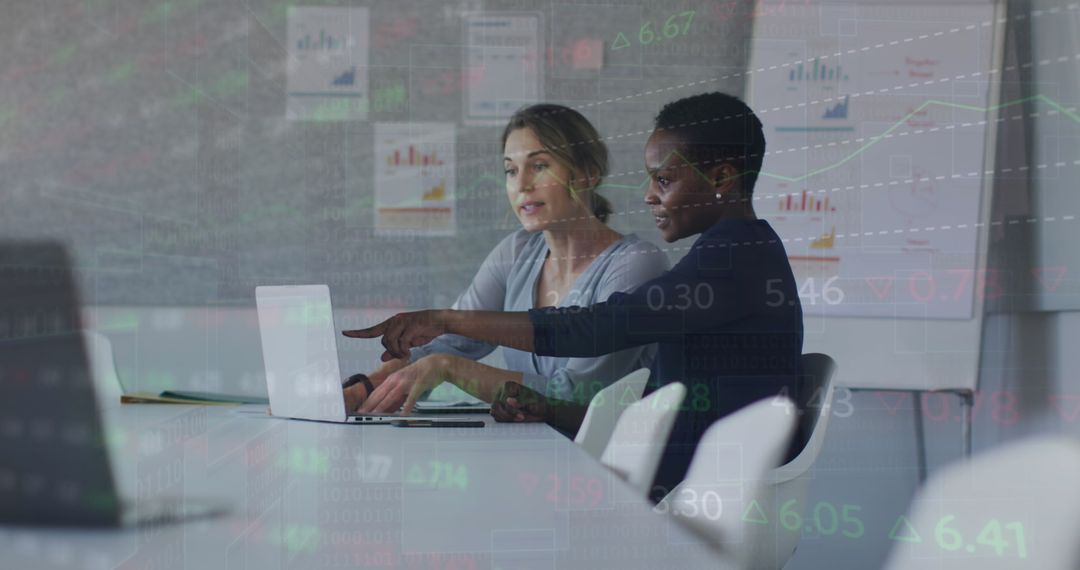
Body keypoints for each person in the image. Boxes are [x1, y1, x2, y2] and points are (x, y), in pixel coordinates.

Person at [344, 92, 804, 500]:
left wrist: (450, 322)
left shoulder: (732, 260)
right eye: (510, 170)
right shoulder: (734, 252)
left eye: (663, 180)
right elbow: (628, 402)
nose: (647, 196)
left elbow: (595, 327)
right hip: (662, 480)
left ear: (723, 177)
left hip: (679, 495)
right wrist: (544, 408)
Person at [342, 103, 669, 415]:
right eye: (511, 171)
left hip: (602, 465)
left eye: (539, 166)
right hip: (536, 449)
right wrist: (361, 390)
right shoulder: (516, 252)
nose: (522, 185)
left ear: (587, 174)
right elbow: (447, 344)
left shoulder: (637, 264)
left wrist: (452, 370)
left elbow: (578, 395)